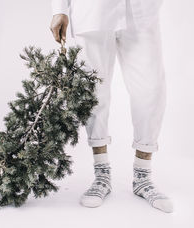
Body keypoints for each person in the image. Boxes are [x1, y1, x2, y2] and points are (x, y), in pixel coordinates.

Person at [50, 0, 173, 213]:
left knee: (150, 91)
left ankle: (142, 177)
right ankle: (101, 174)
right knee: (93, 93)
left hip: (141, 11)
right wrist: (59, 9)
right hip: (93, 9)